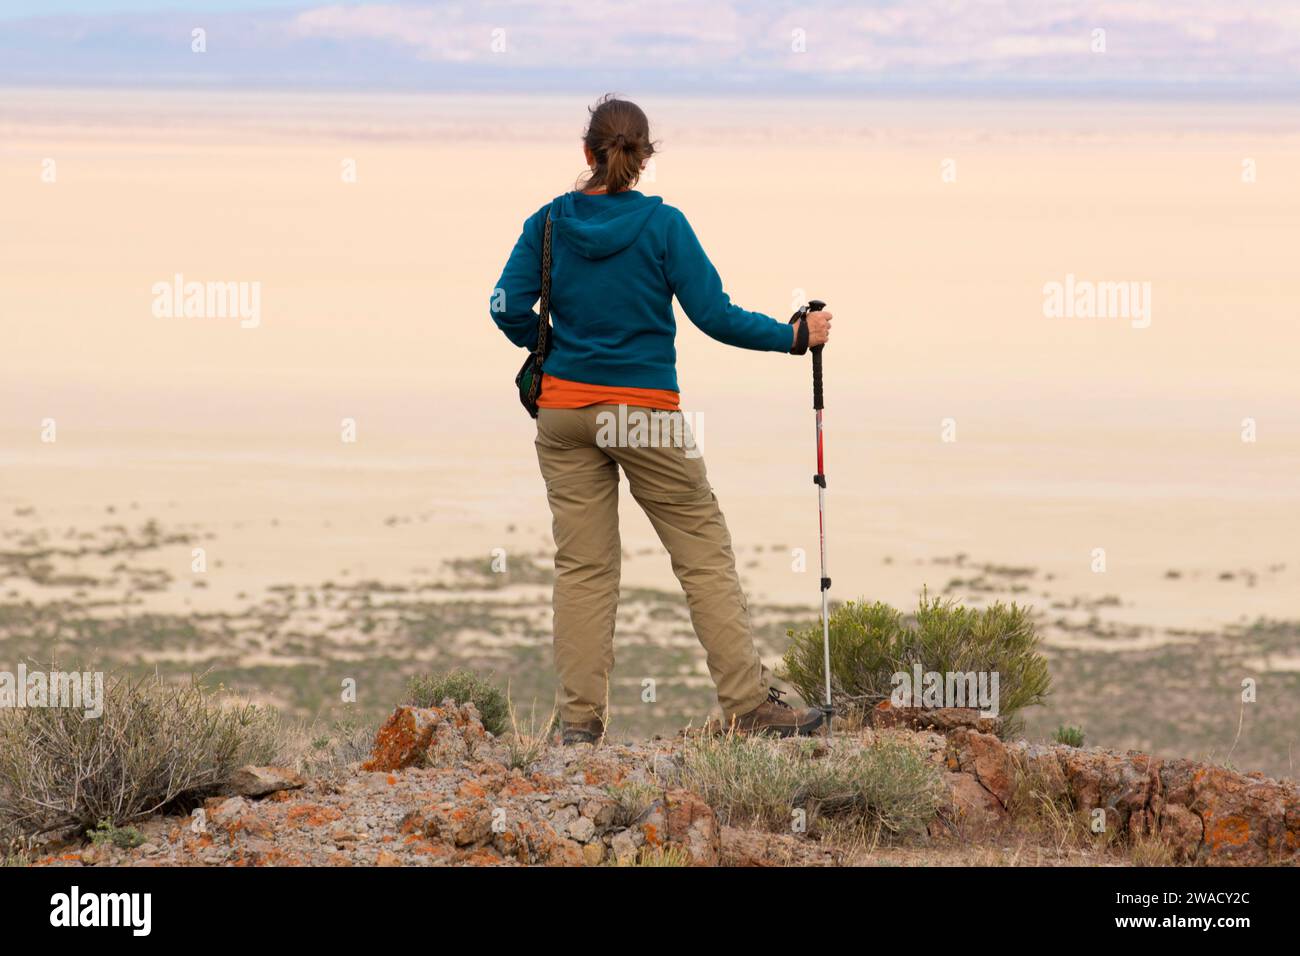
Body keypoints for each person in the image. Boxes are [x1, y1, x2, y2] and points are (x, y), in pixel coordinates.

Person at [490, 94, 832, 744]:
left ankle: (578, 729)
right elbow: (716, 315)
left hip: (563, 414)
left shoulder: (549, 224)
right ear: (643, 160)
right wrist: (795, 336)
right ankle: (748, 707)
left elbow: (505, 304)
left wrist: (552, 349)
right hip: (643, 416)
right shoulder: (662, 226)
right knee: (701, 553)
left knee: (584, 570)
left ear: (588, 153)